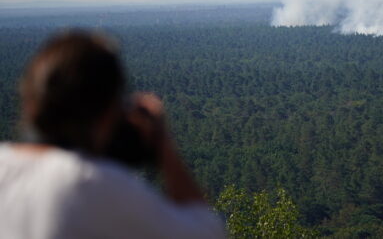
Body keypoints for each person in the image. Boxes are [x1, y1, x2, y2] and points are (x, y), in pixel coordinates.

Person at [0, 31, 226, 239]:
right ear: (110, 110)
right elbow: (206, 232)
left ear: (29, 101)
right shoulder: (91, 182)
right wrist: (162, 142)